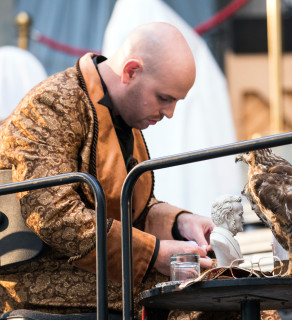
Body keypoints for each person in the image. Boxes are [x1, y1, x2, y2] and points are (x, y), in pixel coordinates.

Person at [0, 22, 215, 318]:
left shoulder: (121, 111)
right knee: (198, 289)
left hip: (94, 270)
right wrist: (153, 255)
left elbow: (126, 206)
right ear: (131, 71)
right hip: (34, 279)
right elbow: (53, 215)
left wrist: (181, 223)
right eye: (165, 98)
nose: (170, 113)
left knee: (229, 284)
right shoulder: (50, 105)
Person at [210, 195, 244, 267]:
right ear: (227, 217)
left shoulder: (227, 238)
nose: (243, 220)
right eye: (240, 215)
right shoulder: (219, 239)